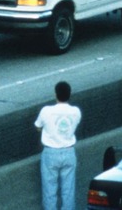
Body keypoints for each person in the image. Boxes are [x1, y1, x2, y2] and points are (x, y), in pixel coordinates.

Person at [35, 81, 81, 210]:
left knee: (49, 190)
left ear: (56, 94)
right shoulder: (76, 112)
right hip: (69, 152)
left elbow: (38, 126)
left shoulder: (46, 111)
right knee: (68, 191)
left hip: (50, 153)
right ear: (69, 94)